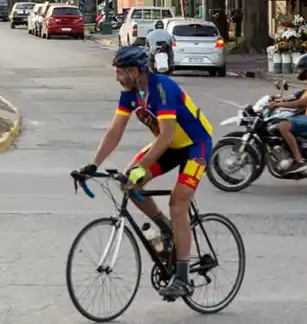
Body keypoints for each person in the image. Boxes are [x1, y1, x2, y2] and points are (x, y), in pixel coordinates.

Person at [76, 45, 214, 298]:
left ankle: (183, 278)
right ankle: (166, 229)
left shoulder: (162, 89)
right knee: (129, 181)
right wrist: (93, 165)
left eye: (119, 72)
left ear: (135, 71)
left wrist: (143, 165)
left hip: (195, 145)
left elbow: (168, 133)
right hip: (169, 146)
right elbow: (115, 130)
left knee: (178, 202)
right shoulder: (129, 93)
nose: (116, 77)